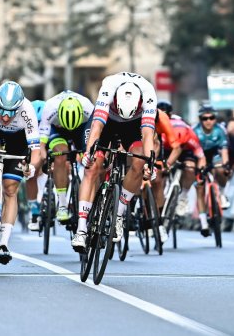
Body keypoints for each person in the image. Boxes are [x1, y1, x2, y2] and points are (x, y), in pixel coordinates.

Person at [72, 72, 157, 253]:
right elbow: (97, 126)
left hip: (133, 126)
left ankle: (119, 213)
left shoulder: (149, 92)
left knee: (139, 162)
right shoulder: (109, 87)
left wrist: (151, 163)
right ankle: (81, 229)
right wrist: (89, 153)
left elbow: (148, 133)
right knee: (92, 166)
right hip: (107, 122)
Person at [0, 81, 41, 265]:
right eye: (2, 111)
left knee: (10, 189)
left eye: (11, 112)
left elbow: (36, 152)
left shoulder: (27, 111)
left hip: (18, 140)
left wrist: (32, 167)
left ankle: (4, 243)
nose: (6, 117)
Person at [39, 89, 91, 224]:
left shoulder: (88, 108)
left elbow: (96, 134)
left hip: (82, 128)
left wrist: (86, 153)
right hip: (58, 130)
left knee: (93, 160)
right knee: (60, 156)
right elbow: (42, 144)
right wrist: (45, 158)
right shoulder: (50, 108)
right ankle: (62, 205)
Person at [194, 105, 231, 208]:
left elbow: (224, 150)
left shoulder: (220, 130)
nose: (208, 121)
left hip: (214, 153)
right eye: (204, 118)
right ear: (200, 119)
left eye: (211, 118)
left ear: (215, 118)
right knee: (199, 180)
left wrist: (226, 165)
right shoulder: (195, 130)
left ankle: (222, 193)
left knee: (221, 170)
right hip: (199, 154)